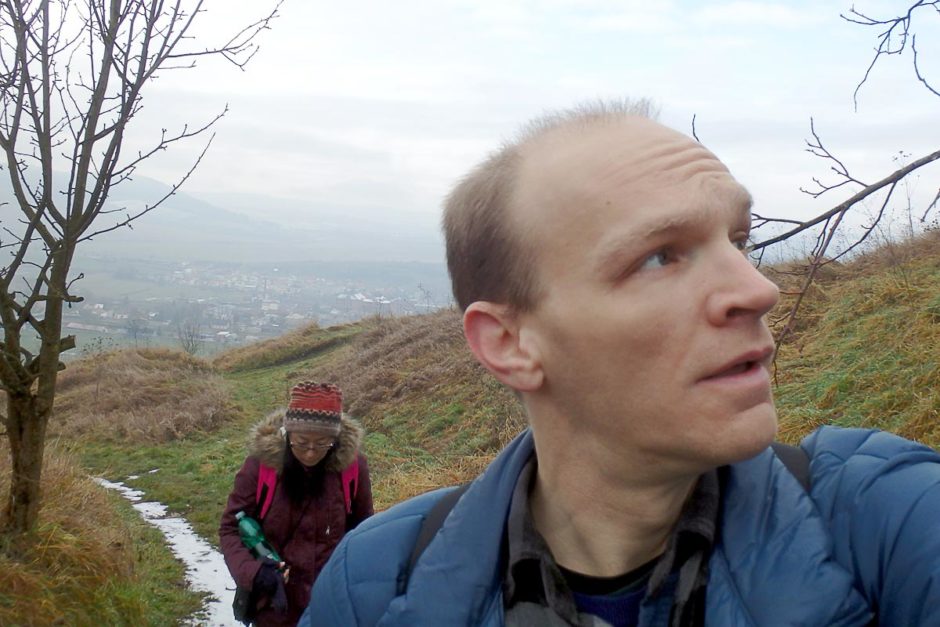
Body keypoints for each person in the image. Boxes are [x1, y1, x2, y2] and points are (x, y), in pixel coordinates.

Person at [299, 101, 940, 626]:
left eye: (739, 242)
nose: (756, 290)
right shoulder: (373, 585)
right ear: (508, 343)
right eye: (660, 256)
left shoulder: (886, 522)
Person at [220, 381, 373, 626]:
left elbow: (364, 533)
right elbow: (230, 528)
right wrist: (255, 574)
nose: (311, 452)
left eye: (322, 443)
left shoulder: (352, 469)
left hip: (332, 606)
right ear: (288, 432)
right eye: (301, 442)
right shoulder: (262, 467)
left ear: (335, 439)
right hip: (275, 607)